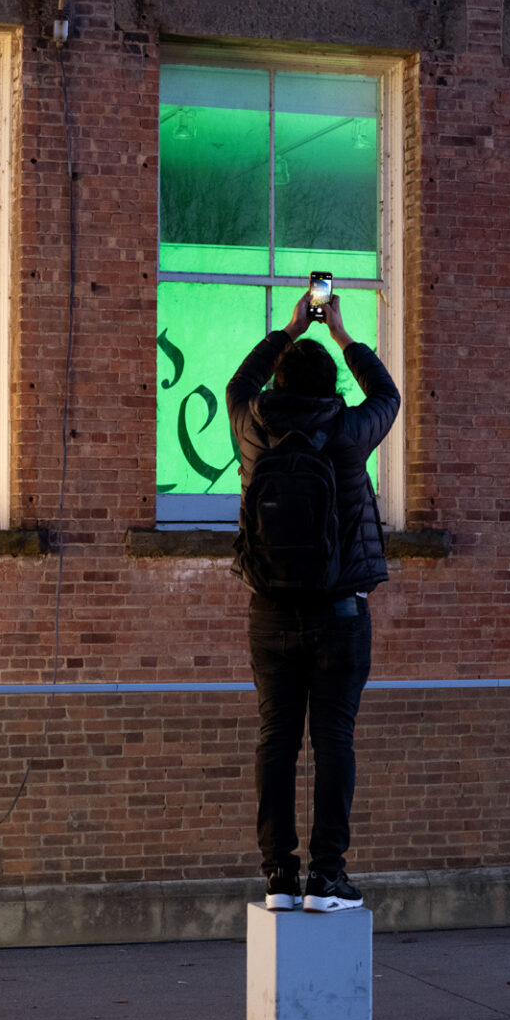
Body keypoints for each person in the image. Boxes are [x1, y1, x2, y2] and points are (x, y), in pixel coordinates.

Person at [225, 291, 400, 913]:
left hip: (269, 612)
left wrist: (288, 329)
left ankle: (278, 876)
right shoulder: (349, 430)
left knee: (276, 739)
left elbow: (238, 382)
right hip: (340, 612)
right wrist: (345, 335)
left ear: (278, 379)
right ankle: (327, 878)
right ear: (332, 386)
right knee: (333, 742)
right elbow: (388, 396)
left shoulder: (252, 424)